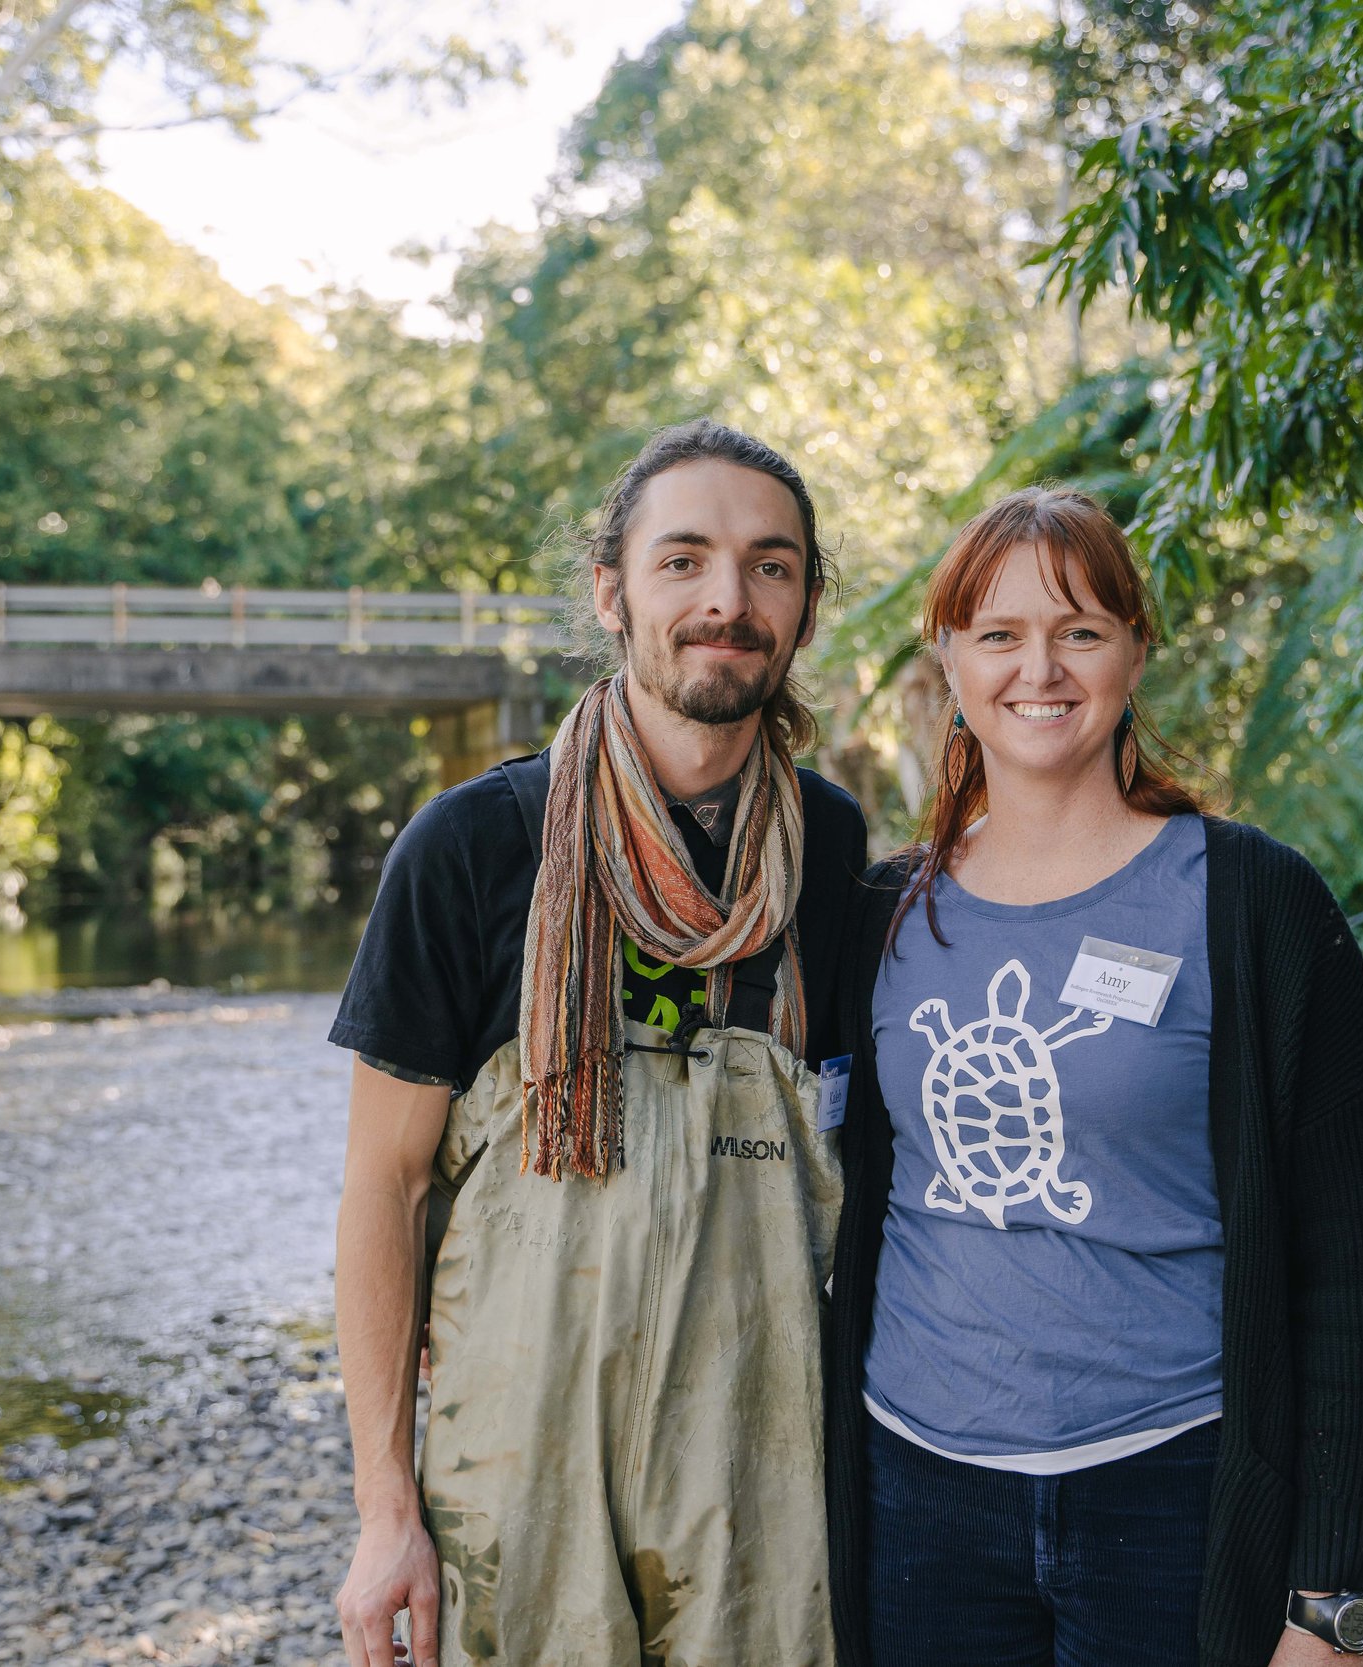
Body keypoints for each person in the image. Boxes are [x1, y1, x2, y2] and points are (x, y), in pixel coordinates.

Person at [820, 487, 1363, 1667]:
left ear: (1135, 649)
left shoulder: (1255, 906)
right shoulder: (878, 912)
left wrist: (1331, 1599)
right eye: (998, 633)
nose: (1038, 667)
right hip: (915, 1492)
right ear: (947, 656)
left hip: (1171, 1489)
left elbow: (1350, 1270)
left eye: (1079, 629)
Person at [329, 419, 869, 1667]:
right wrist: (385, 1509)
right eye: (682, 559)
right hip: (517, 1471)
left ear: (805, 601)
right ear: (610, 589)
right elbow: (385, 1186)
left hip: (759, 1472)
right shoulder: (469, 849)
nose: (726, 599)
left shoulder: (833, 856)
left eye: (768, 564)